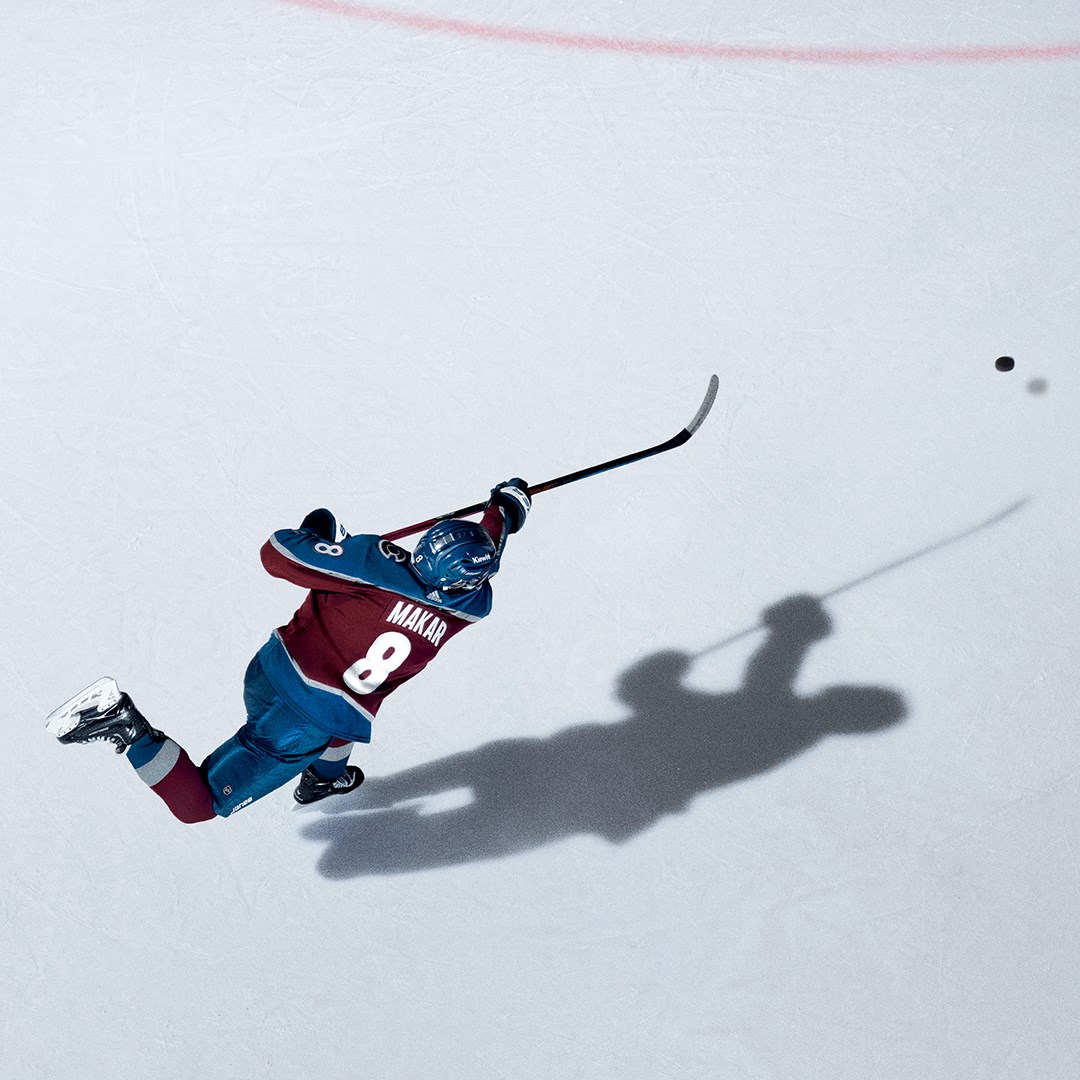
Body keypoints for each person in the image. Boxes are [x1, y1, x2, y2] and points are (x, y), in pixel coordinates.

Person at [45, 479, 531, 823]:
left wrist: (316, 537)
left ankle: (322, 780)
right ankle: (126, 728)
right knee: (201, 807)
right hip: (300, 724)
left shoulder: (372, 563)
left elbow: (277, 553)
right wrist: (504, 514)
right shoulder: (471, 606)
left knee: (346, 720)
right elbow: (486, 556)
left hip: (270, 671)